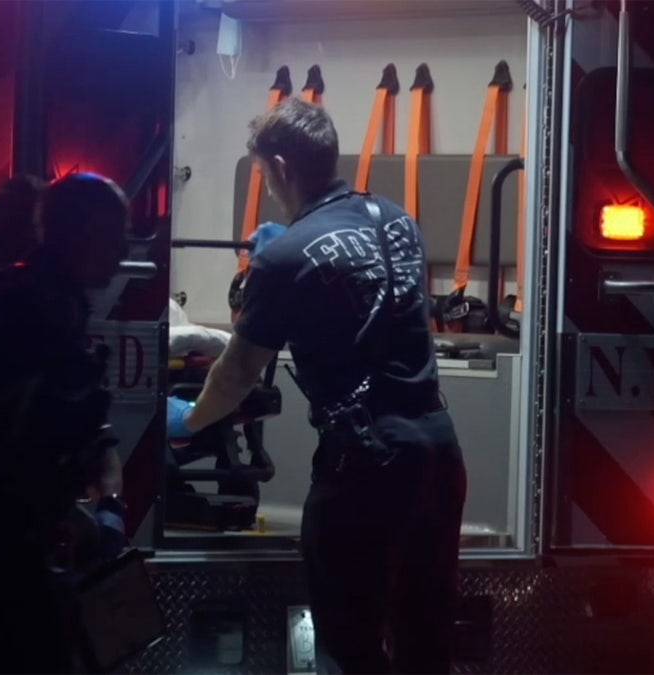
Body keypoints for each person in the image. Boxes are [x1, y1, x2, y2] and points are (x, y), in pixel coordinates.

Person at [166, 98, 468, 674]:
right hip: (436, 450)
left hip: (366, 466)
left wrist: (191, 419)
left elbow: (236, 373)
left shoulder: (280, 259)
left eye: (264, 175)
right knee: (426, 638)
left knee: (349, 640)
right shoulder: (399, 222)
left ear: (281, 166)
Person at [0, 173, 130, 674]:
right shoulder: (31, 306)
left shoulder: (40, 297)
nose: (123, 247)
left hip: (2, 551)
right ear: (79, 234)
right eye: (114, 232)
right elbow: (40, 433)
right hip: (3, 559)